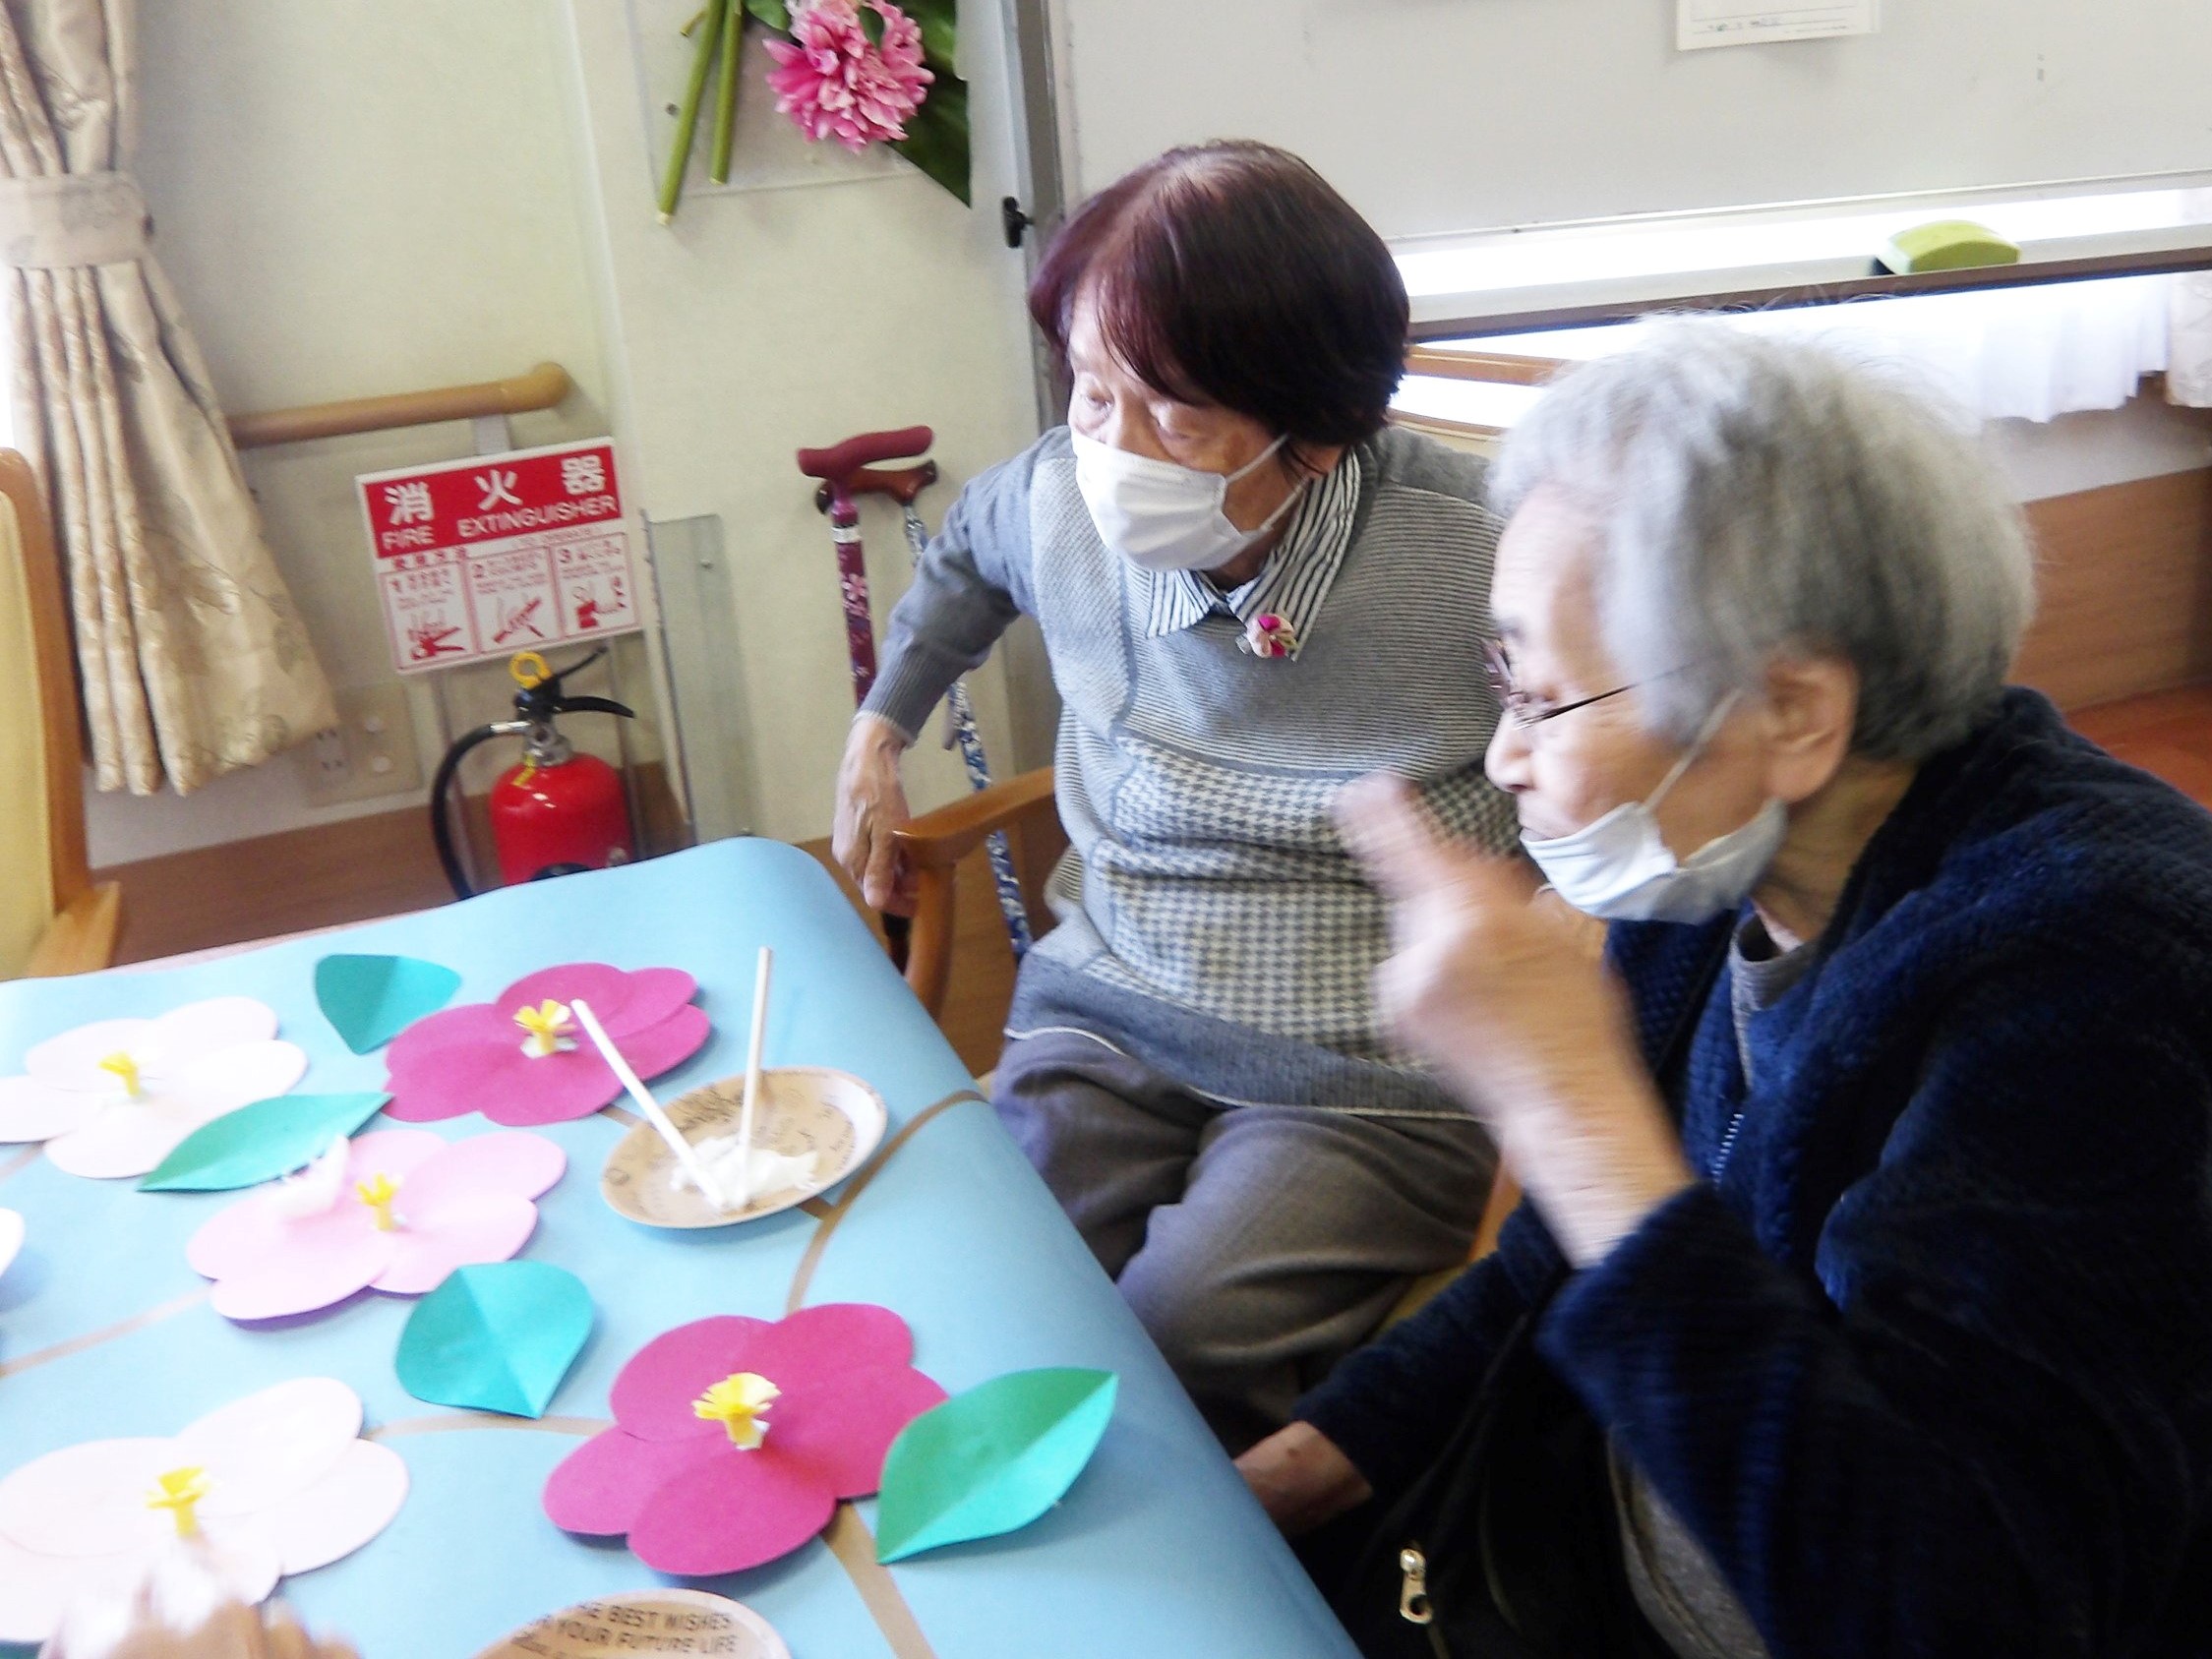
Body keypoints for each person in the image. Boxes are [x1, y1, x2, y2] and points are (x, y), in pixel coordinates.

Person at [1237, 324, 2212, 1656]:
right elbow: (1557, 1259)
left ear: (1791, 712)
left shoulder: (2100, 972)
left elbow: (1957, 1613)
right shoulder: (1722, 861)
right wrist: (1307, 1461)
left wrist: (1567, 1111)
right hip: (1588, 1526)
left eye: (1540, 694)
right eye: (1499, 684)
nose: (1506, 759)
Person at [834, 141, 1516, 1449]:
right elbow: (967, 558)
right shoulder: (1058, 493)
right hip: (1112, 999)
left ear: (1315, 439)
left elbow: (1629, 728)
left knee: (1179, 1341)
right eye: (1093, 393)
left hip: (1360, 1061)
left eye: (1174, 414)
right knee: (987, 1289)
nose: (1109, 451)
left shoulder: (1482, 547)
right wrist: (883, 722)